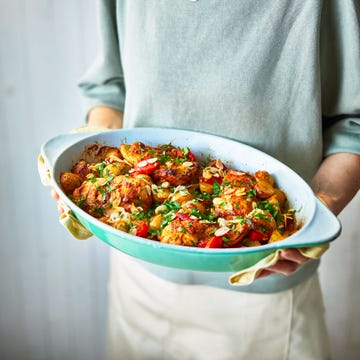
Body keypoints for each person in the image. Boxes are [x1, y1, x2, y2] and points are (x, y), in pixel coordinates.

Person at [55, 1, 360, 359]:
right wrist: (97, 176)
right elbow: (109, 91)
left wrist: (315, 214)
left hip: (265, 289)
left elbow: (353, 126)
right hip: (137, 274)